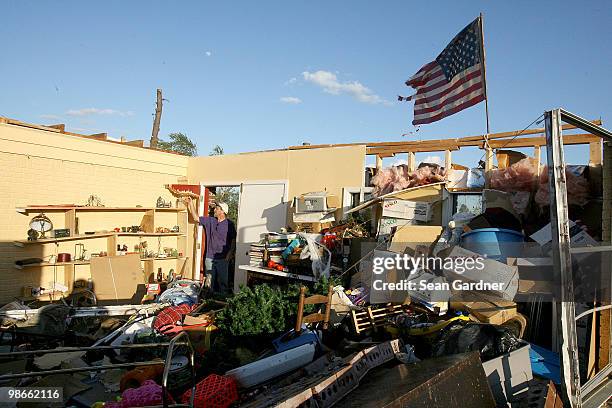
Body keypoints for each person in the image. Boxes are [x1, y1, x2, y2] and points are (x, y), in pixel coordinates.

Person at [183, 197, 236, 294]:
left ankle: (222, 303)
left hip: (223, 258)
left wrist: (229, 255)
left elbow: (233, 241)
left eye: (217, 208)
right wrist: (190, 204)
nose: (214, 209)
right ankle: (208, 302)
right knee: (209, 282)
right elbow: (196, 218)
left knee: (223, 283)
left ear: (222, 211)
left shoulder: (229, 224)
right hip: (209, 257)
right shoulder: (211, 221)